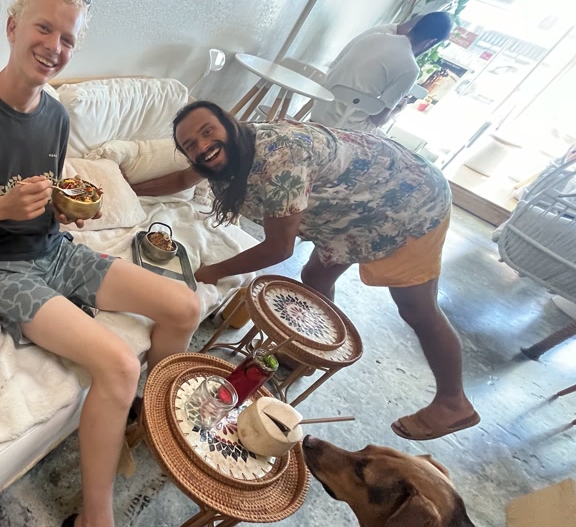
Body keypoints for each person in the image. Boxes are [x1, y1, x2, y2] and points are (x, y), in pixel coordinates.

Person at [0, 0, 201, 527]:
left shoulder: (57, 115)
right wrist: (1, 207)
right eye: (44, 28)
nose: (55, 46)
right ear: (12, 27)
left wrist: (61, 215)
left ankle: (136, 421)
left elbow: (48, 201)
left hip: (49, 251)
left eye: (68, 38)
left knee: (185, 307)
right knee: (117, 363)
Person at [132, 101, 480, 442]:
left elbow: (278, 248)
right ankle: (306, 356)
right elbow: (181, 177)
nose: (203, 146)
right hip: (356, 202)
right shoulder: (226, 151)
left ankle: (453, 402)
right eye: (191, 144)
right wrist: (129, 190)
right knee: (316, 277)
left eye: (208, 132)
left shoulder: (279, 158)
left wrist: (215, 271)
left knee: (417, 309)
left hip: (408, 200)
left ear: (229, 124)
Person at [309, 11, 453, 132]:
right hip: (344, 128)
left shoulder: (374, 37)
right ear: (431, 42)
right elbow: (377, 120)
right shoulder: (410, 69)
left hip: (319, 110)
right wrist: (398, 108)